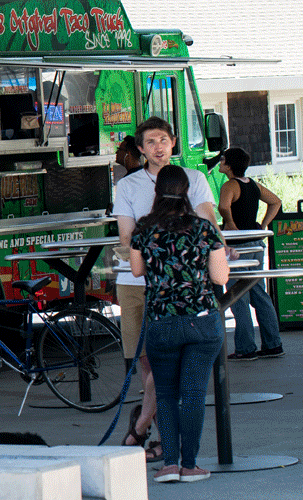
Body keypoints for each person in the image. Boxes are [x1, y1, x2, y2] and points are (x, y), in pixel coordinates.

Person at [111, 117, 218, 462]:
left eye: (163, 140)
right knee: (148, 365)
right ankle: (161, 440)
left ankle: (144, 427)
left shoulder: (196, 179)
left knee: (170, 373)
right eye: (150, 142)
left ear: (174, 142)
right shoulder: (128, 186)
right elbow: (127, 238)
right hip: (137, 283)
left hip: (181, 286)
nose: (158, 147)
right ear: (140, 149)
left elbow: (208, 219)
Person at [129, 165, 229, 483]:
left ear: (157, 191)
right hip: (201, 322)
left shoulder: (144, 229)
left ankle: (169, 464)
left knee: (168, 394)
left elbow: (136, 270)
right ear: (187, 192)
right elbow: (219, 277)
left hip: (162, 322)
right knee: (194, 393)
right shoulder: (203, 229)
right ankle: (190, 464)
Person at [213, 148, 285, 360]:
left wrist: (231, 224)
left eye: (223, 160)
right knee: (259, 294)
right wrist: (263, 225)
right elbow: (276, 201)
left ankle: (246, 348)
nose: (220, 162)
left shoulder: (229, 185)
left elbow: (223, 206)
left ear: (229, 165)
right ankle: (273, 344)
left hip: (238, 246)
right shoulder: (252, 184)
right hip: (255, 243)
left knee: (237, 296)